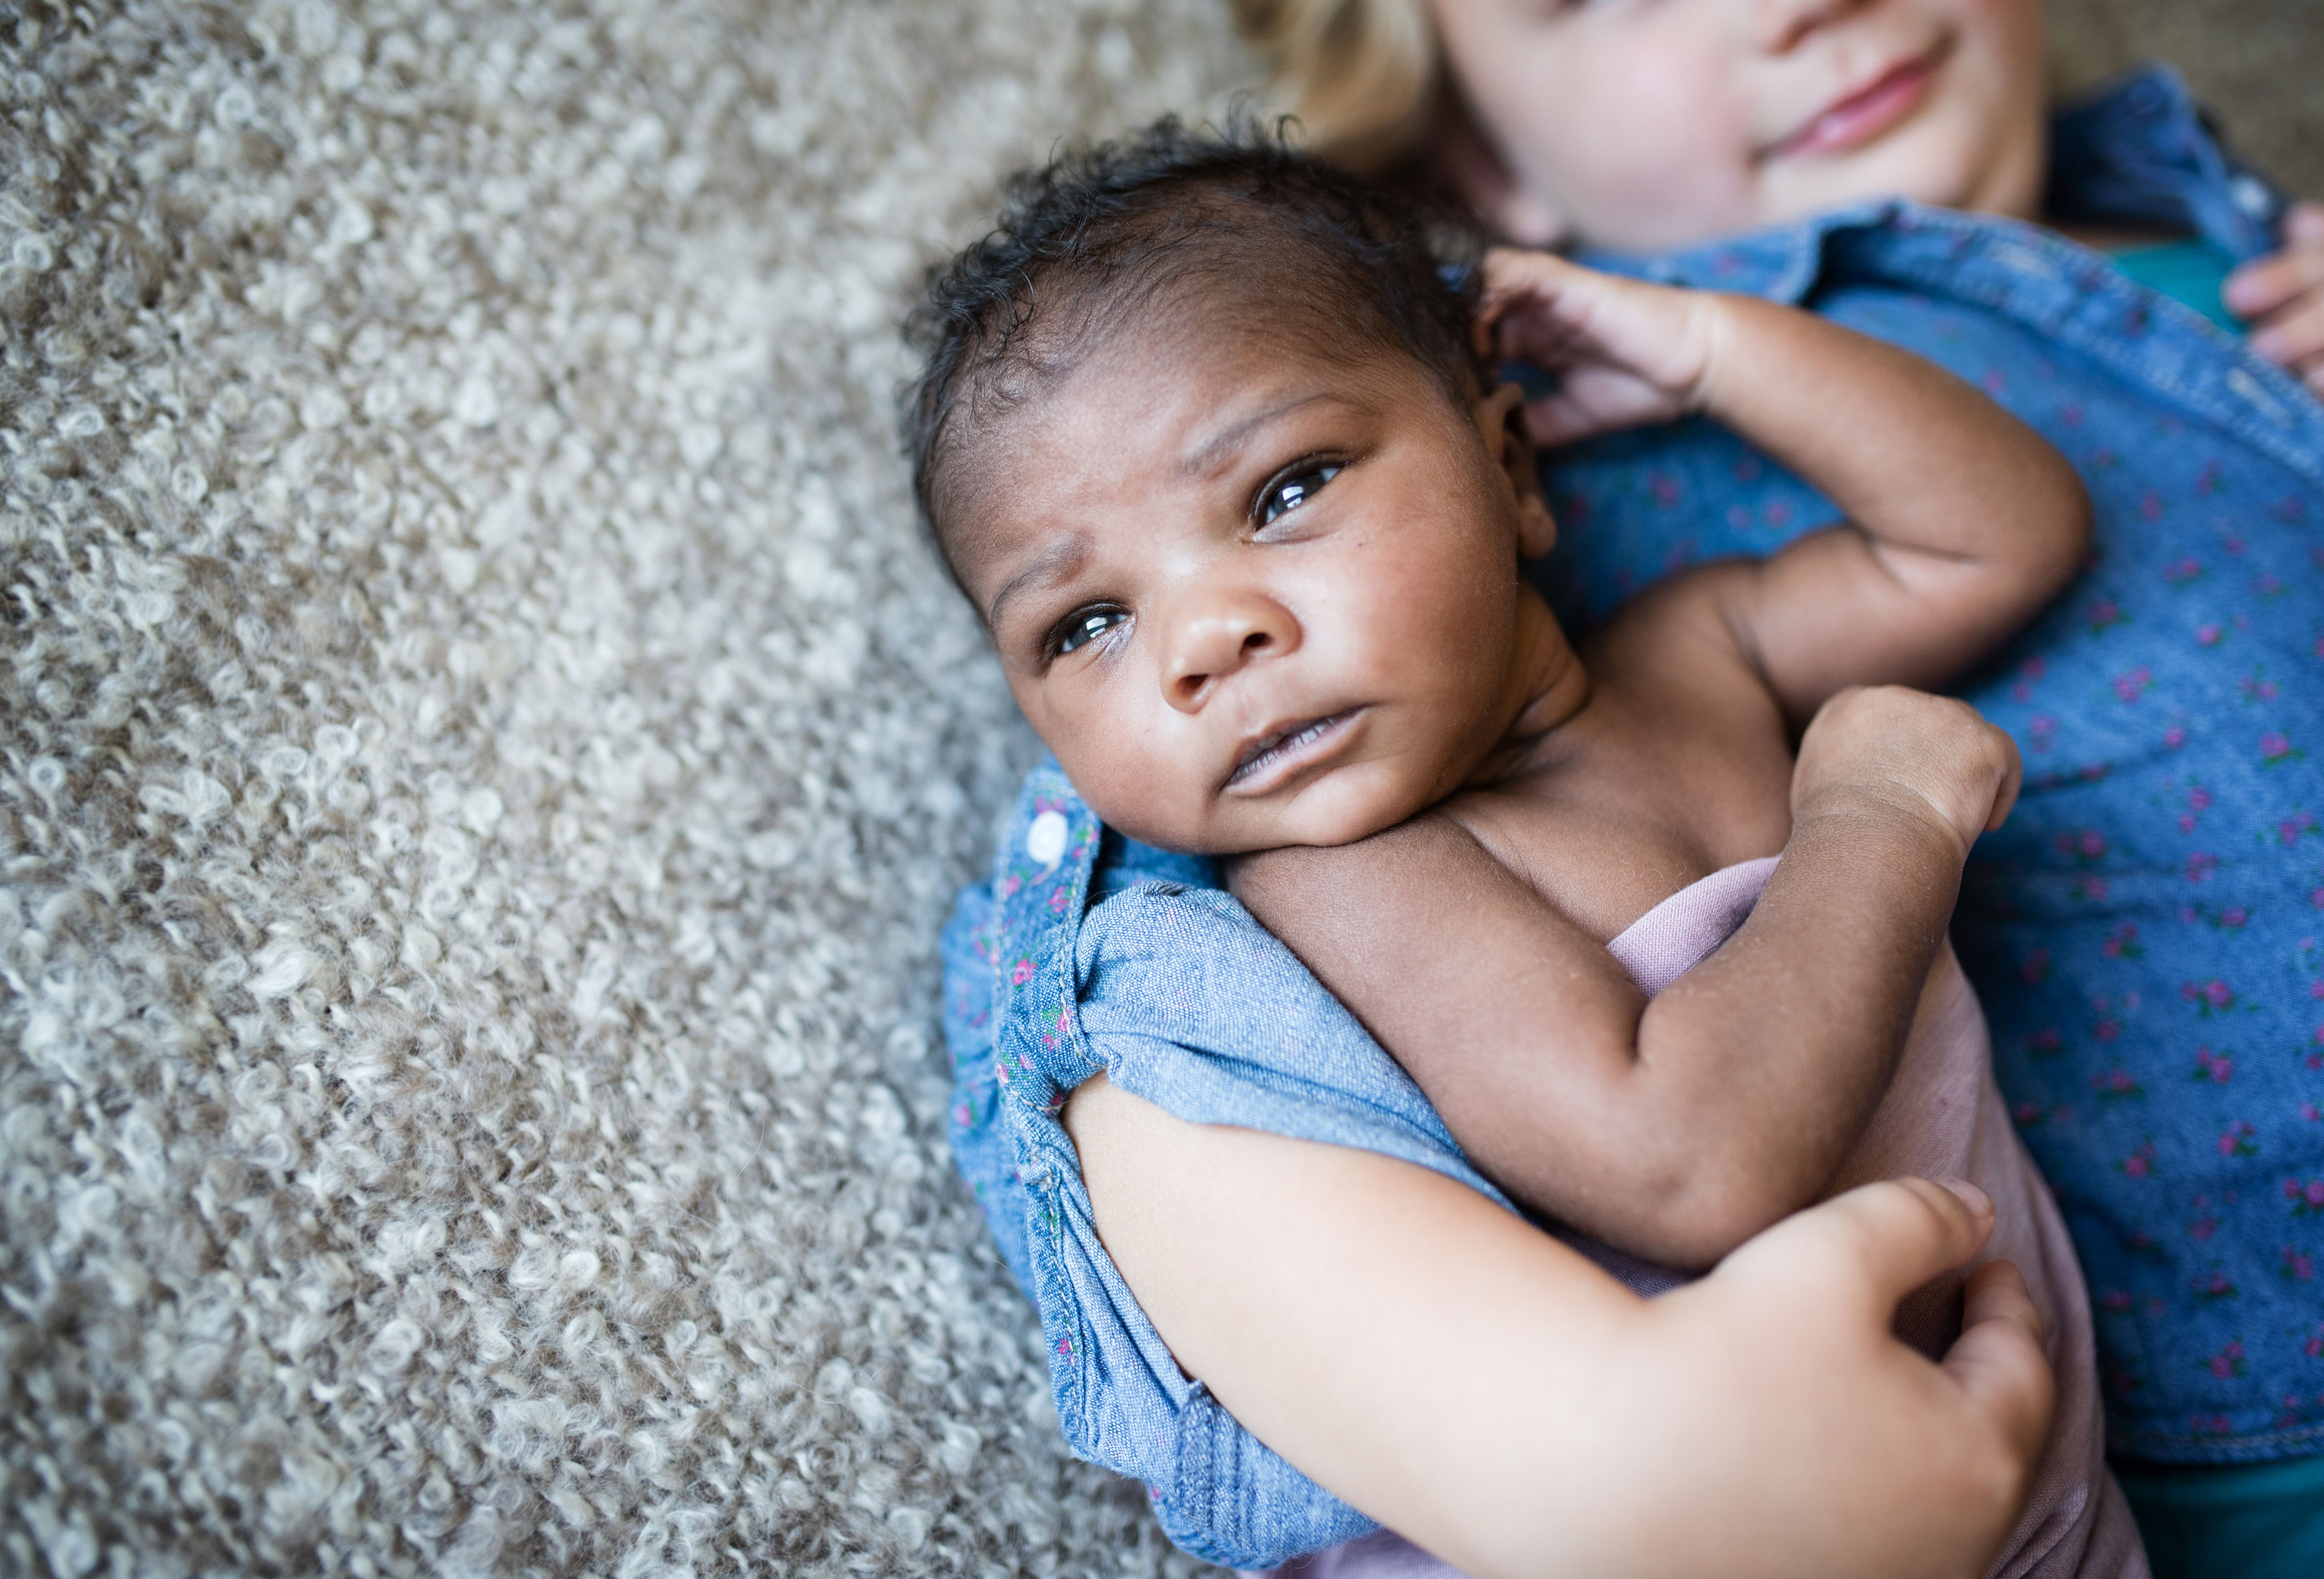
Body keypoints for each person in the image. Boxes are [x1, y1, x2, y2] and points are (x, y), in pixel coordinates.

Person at [913, 121, 2137, 1576]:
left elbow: (2000, 534)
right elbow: (1689, 1159)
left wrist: (1703, 350)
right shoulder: (1351, 874)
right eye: (1085, 624)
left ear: (1509, 465)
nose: (1201, 639)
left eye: (1285, 491)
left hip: (2035, 1504)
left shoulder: (1703, 653)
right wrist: (1882, 817)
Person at [1234, 3, 2324, 1572]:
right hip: (2250, 1388)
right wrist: (1703, 348)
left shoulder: (2232, 231)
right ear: (1480, 158)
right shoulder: (1537, 468)